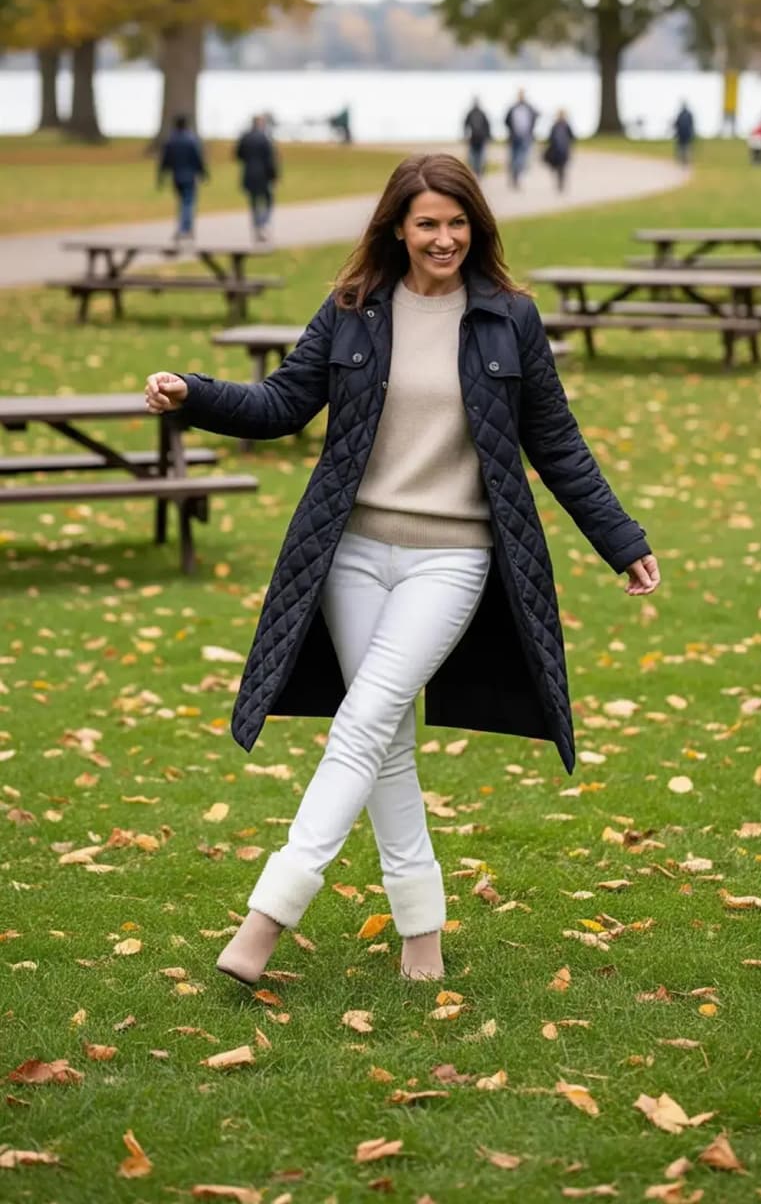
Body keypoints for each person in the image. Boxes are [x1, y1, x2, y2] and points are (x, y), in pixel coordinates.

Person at [145, 154, 659, 987]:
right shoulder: (351, 311)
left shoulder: (508, 318)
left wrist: (621, 538)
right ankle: (423, 942)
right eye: (428, 224)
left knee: (363, 721)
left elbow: (555, 441)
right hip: (349, 555)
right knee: (384, 744)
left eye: (458, 223)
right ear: (398, 228)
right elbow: (282, 405)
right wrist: (193, 394)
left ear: (476, 228)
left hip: (452, 558)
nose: (444, 238)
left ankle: (266, 918)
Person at [157, 115, 208, 243]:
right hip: (189, 176)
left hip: (176, 176)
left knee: (182, 202)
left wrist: (161, 177)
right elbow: (197, 158)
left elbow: (164, 160)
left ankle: (185, 228)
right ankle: (184, 229)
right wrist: (203, 173)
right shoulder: (191, 140)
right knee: (188, 202)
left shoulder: (171, 140)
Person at [236, 114, 280, 241]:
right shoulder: (265, 138)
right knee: (269, 200)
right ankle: (263, 224)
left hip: (249, 174)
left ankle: (257, 226)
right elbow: (270, 159)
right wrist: (274, 176)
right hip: (264, 175)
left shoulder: (245, 137)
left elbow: (238, 155)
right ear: (261, 123)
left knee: (253, 202)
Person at [504, 89, 539, 188]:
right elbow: (506, 120)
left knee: (522, 159)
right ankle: (514, 177)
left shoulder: (529, 108)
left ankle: (518, 177)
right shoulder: (513, 108)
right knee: (514, 158)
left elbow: (535, 117)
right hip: (514, 138)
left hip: (525, 137)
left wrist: (530, 132)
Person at [542, 110, 575, 191]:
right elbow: (572, 138)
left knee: (560, 168)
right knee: (561, 168)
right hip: (560, 151)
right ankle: (560, 182)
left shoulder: (559, 126)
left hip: (560, 151)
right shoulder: (564, 126)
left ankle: (560, 182)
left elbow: (550, 138)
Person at [463, 97, 491, 178]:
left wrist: (488, 137)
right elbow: (465, 125)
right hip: (473, 140)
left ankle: (479, 173)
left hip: (481, 140)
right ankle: (475, 172)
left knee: (481, 158)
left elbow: (487, 126)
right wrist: (465, 136)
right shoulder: (470, 113)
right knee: (472, 159)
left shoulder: (482, 113)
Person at [673, 102, 695, 166]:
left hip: (681, 134)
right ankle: (686, 161)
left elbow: (676, 124)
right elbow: (692, 124)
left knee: (681, 148)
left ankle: (681, 160)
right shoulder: (689, 114)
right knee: (687, 147)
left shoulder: (680, 114)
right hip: (687, 134)